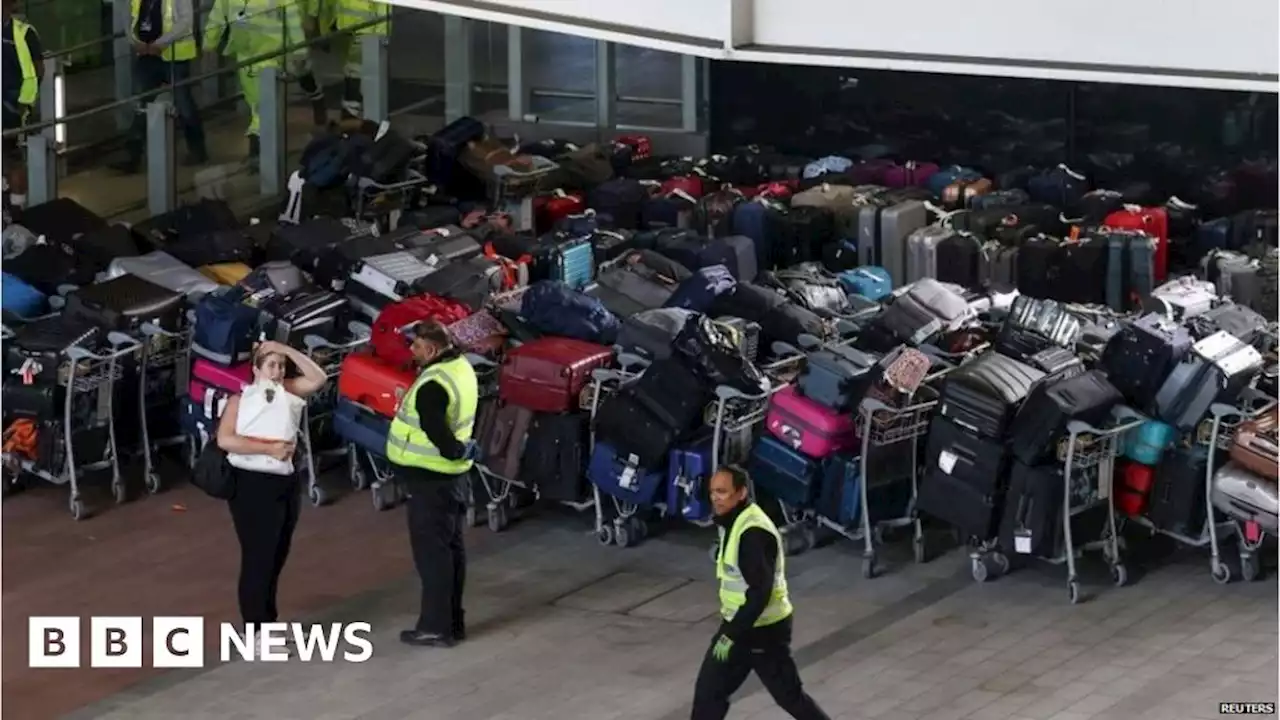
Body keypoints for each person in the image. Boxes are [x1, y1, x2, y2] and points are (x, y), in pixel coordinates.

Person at [692, 467, 831, 720]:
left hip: (763, 631)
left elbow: (760, 591)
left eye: (722, 492)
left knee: (789, 697)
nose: (715, 498)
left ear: (742, 492)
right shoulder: (735, 520)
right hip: (744, 627)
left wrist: (730, 635)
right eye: (713, 492)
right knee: (709, 694)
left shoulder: (752, 533)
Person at [216, 340, 327, 655]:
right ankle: (254, 630)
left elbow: (318, 378)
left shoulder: (289, 391)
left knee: (277, 553)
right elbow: (226, 439)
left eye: (280, 365)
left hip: (284, 481)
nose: (277, 371)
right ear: (257, 369)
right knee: (258, 556)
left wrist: (284, 349)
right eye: (271, 365)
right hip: (252, 484)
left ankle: (267, 623)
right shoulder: (240, 400)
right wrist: (269, 449)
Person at [385, 320, 479, 648]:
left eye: (416, 345)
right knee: (452, 550)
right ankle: (453, 622)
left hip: (431, 479)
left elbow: (438, 430)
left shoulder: (433, 384)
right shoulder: (460, 368)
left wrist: (454, 450)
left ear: (432, 349)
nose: (411, 350)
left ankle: (436, 628)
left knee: (433, 557)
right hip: (453, 478)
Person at [203, 0, 328, 166]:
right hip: (245, 56)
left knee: (262, 106)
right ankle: (260, 150)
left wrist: (299, 53)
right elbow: (217, 18)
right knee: (255, 104)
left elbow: (292, 21)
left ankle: (257, 150)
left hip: (272, 56)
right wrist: (208, 44)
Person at [108, 0, 208, 174]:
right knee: (141, 106)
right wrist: (135, 42)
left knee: (184, 104)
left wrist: (160, 43)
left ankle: (198, 151)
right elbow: (129, 21)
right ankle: (133, 156)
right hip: (147, 55)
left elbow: (185, 22)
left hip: (174, 56)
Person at [2, 0, 42, 208]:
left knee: (12, 156)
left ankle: (17, 209)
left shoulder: (24, 32)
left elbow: (37, 70)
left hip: (12, 104)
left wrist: (23, 103)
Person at [329, 0, 389, 120]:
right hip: (345, 29)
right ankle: (353, 116)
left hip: (365, 32)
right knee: (350, 71)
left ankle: (351, 117)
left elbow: (384, 9)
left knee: (354, 72)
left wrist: (379, 38)